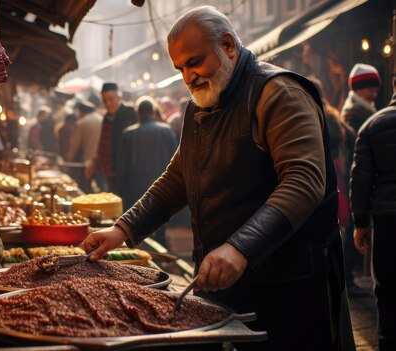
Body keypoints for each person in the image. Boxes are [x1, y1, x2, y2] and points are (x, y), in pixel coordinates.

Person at [81, 6, 353, 350]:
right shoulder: (199, 107)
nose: (188, 77)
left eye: (194, 62)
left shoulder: (278, 93)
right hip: (228, 286)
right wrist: (122, 230)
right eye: (180, 68)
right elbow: (177, 179)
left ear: (227, 46)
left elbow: (303, 181)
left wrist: (240, 248)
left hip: (290, 286)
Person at [350, 71, 396, 351]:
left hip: (388, 219)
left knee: (388, 288)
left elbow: (361, 179)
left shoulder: (371, 125)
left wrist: (360, 223)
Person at [340, 63, 381, 296]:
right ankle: (347, 277)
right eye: (369, 89)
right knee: (357, 225)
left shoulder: (362, 110)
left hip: (356, 176)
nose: (373, 93)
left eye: (375, 89)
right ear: (358, 89)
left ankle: (348, 277)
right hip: (354, 177)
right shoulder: (355, 114)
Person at [117, 96, 177, 246]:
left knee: (138, 222)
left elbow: (122, 165)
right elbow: (175, 159)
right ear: (153, 111)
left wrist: (122, 187)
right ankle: (161, 247)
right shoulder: (166, 131)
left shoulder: (128, 133)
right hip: (162, 183)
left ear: (138, 113)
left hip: (135, 184)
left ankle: (141, 248)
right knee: (161, 218)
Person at [86, 83, 137, 193]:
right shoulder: (106, 118)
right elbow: (103, 143)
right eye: (104, 101)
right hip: (110, 173)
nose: (108, 104)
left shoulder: (130, 112)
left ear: (119, 96)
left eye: (111, 99)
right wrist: (94, 162)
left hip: (129, 172)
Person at [66, 100, 102, 193]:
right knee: (101, 190)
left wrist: (69, 160)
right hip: (101, 162)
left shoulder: (81, 123)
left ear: (81, 111)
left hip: (86, 163)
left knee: (86, 190)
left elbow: (74, 145)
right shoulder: (102, 119)